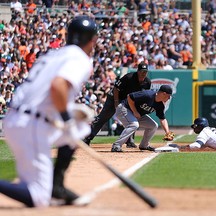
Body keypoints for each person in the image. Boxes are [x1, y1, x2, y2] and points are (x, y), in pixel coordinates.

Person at [0, 16, 97, 207]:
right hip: (30, 124)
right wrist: (66, 119)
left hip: (18, 118)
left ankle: (57, 186)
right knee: (38, 198)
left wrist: (69, 119)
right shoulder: (80, 58)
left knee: (80, 124)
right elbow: (58, 86)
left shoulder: (54, 54)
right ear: (92, 40)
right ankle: (49, 189)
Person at [83, 61, 151, 147]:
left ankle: (129, 141)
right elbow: (116, 88)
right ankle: (88, 138)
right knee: (103, 117)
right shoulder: (129, 77)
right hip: (114, 98)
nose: (143, 73)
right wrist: (116, 102)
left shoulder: (147, 82)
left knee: (132, 119)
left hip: (128, 101)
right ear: (138, 71)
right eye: (142, 71)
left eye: (145, 72)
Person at [111, 85, 173, 152]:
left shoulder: (160, 105)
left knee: (153, 125)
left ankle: (144, 145)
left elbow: (162, 119)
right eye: (169, 96)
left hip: (137, 114)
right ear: (164, 94)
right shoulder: (148, 95)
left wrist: (167, 132)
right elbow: (129, 96)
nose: (169, 98)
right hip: (124, 109)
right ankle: (116, 145)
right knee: (134, 125)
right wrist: (135, 111)